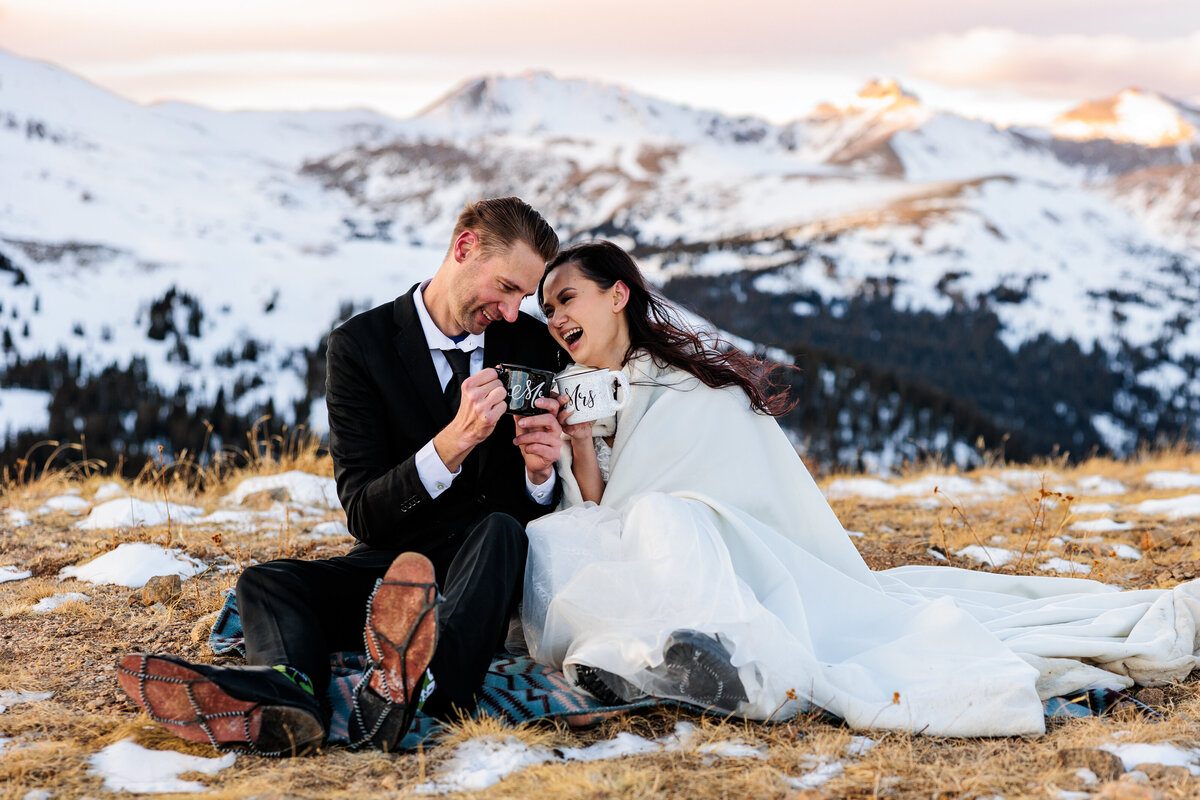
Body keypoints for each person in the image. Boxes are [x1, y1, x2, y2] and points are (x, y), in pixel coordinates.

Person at [521, 241, 1200, 737]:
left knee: (666, 521)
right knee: (567, 536)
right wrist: (579, 440)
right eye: (547, 308)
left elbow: (726, 488)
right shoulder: (585, 397)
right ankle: (662, 653)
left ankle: (700, 650)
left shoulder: (689, 387)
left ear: (618, 295)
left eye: (566, 298)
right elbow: (602, 509)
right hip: (645, 549)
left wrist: (659, 508)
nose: (554, 317)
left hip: (731, 554)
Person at [119, 197, 569, 755]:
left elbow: (535, 515)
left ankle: (428, 687)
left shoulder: (529, 345)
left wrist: (540, 474)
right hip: (394, 572)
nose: (510, 309)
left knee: (502, 528)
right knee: (265, 582)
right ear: (463, 248)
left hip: (486, 568)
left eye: (523, 296)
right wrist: (453, 443)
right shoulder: (361, 346)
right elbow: (365, 512)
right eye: (505, 288)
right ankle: (293, 696)